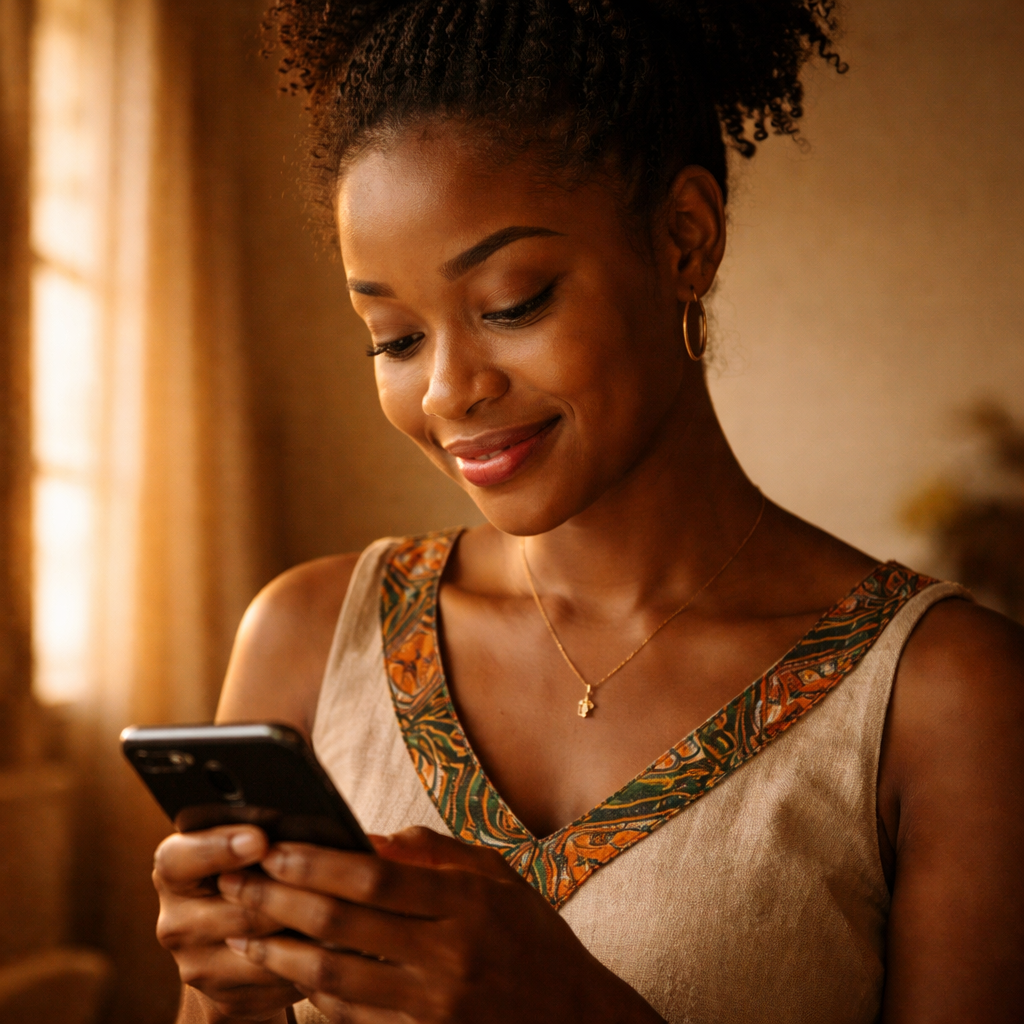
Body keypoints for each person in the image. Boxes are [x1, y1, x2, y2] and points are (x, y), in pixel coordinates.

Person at [151, 2, 1024, 1021]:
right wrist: (226, 995)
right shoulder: (307, 641)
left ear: (684, 242)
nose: (446, 392)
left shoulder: (947, 702)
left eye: (512, 303)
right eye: (393, 337)